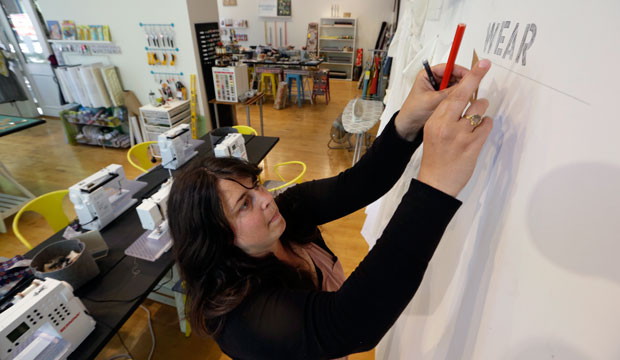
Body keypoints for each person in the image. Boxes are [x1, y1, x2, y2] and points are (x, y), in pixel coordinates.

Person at [168, 59, 494, 359]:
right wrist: (434, 187)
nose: (266, 198)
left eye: (256, 185)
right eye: (244, 204)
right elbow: (351, 323)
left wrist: (408, 120)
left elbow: (360, 183)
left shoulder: (284, 215)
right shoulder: (240, 317)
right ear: (218, 237)